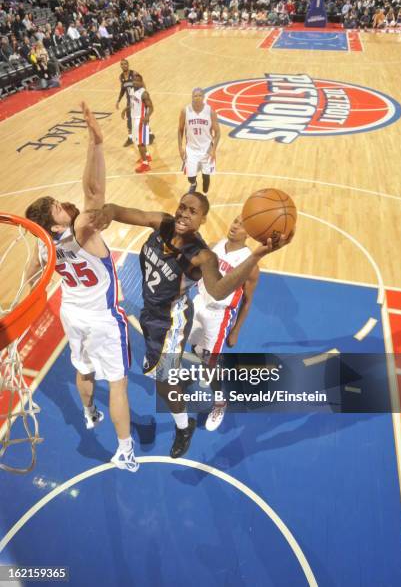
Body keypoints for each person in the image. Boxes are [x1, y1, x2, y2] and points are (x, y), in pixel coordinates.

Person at [94, 196, 294, 459]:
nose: (185, 214)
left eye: (193, 211)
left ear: (203, 220)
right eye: (182, 207)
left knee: (165, 383)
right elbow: (126, 210)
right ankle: (183, 386)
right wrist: (108, 211)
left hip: (172, 321)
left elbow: (220, 290)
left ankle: (185, 425)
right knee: (191, 361)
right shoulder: (162, 223)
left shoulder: (203, 255)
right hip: (154, 312)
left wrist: (258, 254)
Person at [24, 103, 138, 473]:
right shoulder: (82, 232)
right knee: (118, 384)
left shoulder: (44, 246)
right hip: (102, 318)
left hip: (70, 313)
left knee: (84, 368)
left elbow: (30, 277)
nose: (63, 205)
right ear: (54, 223)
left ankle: (89, 413)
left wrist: (19, 302)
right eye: (57, 207)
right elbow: (93, 190)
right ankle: (124, 449)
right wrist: (96, 141)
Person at [189, 215, 258, 431]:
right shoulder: (213, 247)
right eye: (235, 221)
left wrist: (236, 330)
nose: (235, 226)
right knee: (194, 346)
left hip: (219, 316)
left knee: (209, 364)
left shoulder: (250, 265)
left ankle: (220, 402)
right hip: (198, 303)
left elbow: (247, 301)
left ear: (249, 234)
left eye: (241, 225)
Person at [178, 88, 220, 194]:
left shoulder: (210, 111)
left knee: (206, 176)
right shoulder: (185, 111)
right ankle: (193, 184)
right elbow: (180, 130)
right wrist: (180, 148)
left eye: (199, 95)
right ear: (192, 97)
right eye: (195, 96)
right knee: (190, 176)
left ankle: (205, 195)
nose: (197, 98)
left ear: (203, 97)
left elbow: (218, 132)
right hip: (191, 149)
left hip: (207, 149)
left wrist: (214, 150)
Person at [121, 72, 154, 174]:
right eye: (134, 80)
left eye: (138, 81)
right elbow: (133, 104)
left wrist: (147, 116)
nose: (135, 82)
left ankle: (145, 164)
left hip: (141, 120)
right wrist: (125, 109)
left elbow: (151, 107)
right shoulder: (131, 90)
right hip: (134, 118)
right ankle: (147, 155)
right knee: (137, 141)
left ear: (141, 82)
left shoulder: (144, 93)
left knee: (140, 143)